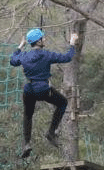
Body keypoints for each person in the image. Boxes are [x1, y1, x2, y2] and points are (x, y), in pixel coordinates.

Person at [10, 28, 79, 158]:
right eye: (43, 38)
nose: (45, 39)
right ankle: (51, 133)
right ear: (39, 41)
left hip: (29, 89)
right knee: (63, 102)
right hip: (43, 89)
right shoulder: (46, 55)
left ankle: (26, 143)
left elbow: (13, 61)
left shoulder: (24, 56)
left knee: (28, 115)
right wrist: (72, 43)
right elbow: (67, 57)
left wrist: (20, 46)